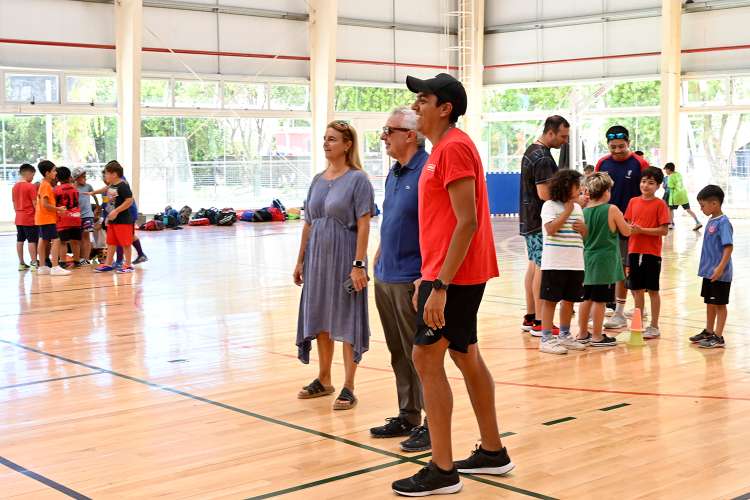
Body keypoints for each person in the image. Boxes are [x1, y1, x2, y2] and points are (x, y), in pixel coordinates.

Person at [392, 73, 513, 497]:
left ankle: (442, 470)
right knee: (465, 356)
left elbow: (468, 221)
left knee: (425, 359)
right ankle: (493, 452)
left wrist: (439, 284)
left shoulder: (454, 148)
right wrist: (428, 276)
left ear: (445, 107)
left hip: (455, 276)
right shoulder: (445, 148)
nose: (416, 107)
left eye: (423, 99)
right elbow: (445, 222)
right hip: (447, 273)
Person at [294, 120, 374, 411]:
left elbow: (364, 225)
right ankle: (324, 378)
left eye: (332, 139)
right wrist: (300, 259)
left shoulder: (358, 180)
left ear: (347, 144)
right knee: (320, 317)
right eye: (324, 139)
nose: (326, 143)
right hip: (317, 258)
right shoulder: (317, 179)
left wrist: (358, 264)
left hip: (345, 257)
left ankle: (349, 385)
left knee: (346, 318)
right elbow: (308, 223)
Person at [370, 107, 431, 452]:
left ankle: (431, 422)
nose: (383, 137)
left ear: (410, 134)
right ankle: (408, 414)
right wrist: (379, 251)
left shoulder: (427, 171)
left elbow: (438, 226)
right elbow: (395, 219)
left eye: (388, 130)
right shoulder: (394, 173)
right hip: (386, 273)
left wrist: (427, 275)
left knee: (420, 355)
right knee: (398, 351)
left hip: (413, 276)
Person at [519, 115, 570, 335]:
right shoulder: (543, 158)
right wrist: (570, 198)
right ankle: (541, 320)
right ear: (550, 132)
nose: (564, 141)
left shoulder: (531, 150)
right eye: (562, 136)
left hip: (528, 218)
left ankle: (531, 316)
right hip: (539, 219)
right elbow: (544, 193)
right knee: (541, 266)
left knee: (533, 265)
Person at [595, 125, 649, 329]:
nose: (617, 151)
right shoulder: (603, 162)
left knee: (628, 267)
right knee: (612, 266)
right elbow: (596, 191)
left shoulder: (639, 163)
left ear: (629, 143)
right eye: (613, 147)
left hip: (631, 225)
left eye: (621, 146)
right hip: (607, 223)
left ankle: (625, 311)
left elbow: (647, 192)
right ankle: (609, 308)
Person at [576, 173, 630, 347]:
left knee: (587, 298)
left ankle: (582, 333)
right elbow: (626, 231)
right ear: (606, 191)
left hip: (587, 259)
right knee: (600, 300)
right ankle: (598, 336)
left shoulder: (583, 212)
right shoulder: (611, 209)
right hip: (604, 261)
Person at [539, 170, 588, 355]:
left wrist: (584, 229)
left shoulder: (578, 208)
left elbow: (584, 236)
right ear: (566, 187)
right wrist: (566, 212)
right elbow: (551, 229)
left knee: (569, 301)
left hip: (575, 263)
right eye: (577, 186)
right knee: (550, 301)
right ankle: (546, 338)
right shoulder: (549, 206)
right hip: (555, 263)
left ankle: (565, 335)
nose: (580, 189)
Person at [624, 167, 670, 339]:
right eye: (644, 181)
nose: (646, 185)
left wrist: (642, 230)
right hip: (634, 251)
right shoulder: (633, 201)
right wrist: (630, 229)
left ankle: (654, 325)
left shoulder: (660, 204)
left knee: (652, 290)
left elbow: (664, 231)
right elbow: (628, 225)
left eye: (651, 183)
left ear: (658, 186)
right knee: (636, 290)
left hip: (652, 253)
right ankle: (637, 324)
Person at [689, 185, 733, 349]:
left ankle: (718, 336)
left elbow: (728, 247)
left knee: (720, 304)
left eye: (703, 205)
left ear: (714, 204)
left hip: (720, 274)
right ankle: (708, 331)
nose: (701, 209)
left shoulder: (723, 222)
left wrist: (720, 267)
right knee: (710, 302)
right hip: (709, 273)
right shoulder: (711, 220)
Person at [94, 161, 135, 273]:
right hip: (112, 221)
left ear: (114, 174)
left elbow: (129, 200)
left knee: (125, 243)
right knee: (111, 242)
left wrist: (116, 211)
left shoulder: (123, 185)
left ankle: (128, 265)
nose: (105, 176)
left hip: (123, 221)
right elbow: (105, 192)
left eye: (107, 173)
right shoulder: (112, 186)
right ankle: (108, 264)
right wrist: (92, 193)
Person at [34, 161, 71, 276]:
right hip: (46, 218)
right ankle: (55, 266)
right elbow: (45, 204)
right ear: (47, 173)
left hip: (42, 218)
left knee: (43, 239)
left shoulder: (43, 184)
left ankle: (42, 267)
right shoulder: (46, 185)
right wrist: (58, 209)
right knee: (56, 240)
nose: (56, 173)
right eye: (54, 170)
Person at [53, 167, 83, 268]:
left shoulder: (56, 190)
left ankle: (62, 262)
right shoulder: (75, 188)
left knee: (63, 242)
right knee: (75, 241)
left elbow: (54, 205)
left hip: (63, 219)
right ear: (69, 176)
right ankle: (77, 261)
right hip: (76, 217)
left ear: (57, 177)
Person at [12, 163, 39, 271]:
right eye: (32, 175)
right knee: (32, 241)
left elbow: (14, 203)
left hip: (18, 217)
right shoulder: (30, 186)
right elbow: (35, 204)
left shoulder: (14, 186)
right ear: (28, 173)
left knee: (20, 240)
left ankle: (21, 263)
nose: (32, 178)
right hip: (29, 218)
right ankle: (33, 263)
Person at [663, 163, 702, 231]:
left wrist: (665, 187)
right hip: (683, 195)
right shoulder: (678, 174)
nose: (665, 171)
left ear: (669, 169)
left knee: (670, 209)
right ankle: (698, 222)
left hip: (675, 196)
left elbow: (670, 187)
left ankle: (671, 224)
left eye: (666, 169)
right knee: (688, 210)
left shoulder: (670, 177)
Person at [72, 167, 98, 266]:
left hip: (88, 216)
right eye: (82, 177)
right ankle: (78, 258)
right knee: (77, 238)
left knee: (86, 237)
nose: (85, 178)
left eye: (85, 176)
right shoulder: (73, 188)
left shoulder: (88, 186)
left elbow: (94, 195)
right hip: (76, 216)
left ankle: (86, 259)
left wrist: (97, 207)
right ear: (76, 178)